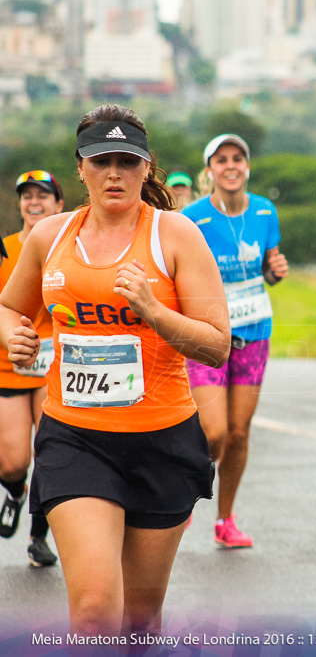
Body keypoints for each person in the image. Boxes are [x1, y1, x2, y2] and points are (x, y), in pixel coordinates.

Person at [0, 104, 229, 636]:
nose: (114, 174)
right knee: (96, 612)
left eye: (128, 161)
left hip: (163, 442)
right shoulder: (50, 236)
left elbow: (217, 346)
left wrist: (154, 311)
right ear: (80, 167)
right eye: (101, 161)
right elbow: (9, 306)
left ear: (146, 168)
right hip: (75, 440)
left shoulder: (174, 236)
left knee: (140, 622)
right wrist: (11, 333)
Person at [182, 133, 288, 549]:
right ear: (209, 170)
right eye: (221, 159)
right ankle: (183, 493)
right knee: (214, 433)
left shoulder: (265, 211)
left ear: (247, 166)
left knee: (239, 433)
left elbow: (269, 268)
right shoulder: (191, 217)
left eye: (238, 159)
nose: (230, 166)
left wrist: (275, 270)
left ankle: (225, 520)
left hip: (254, 330)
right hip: (208, 335)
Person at [0, 170, 64, 568]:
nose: (35, 201)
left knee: (52, 453)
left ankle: (38, 537)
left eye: (44, 195)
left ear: (59, 204)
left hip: (53, 366)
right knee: (13, 461)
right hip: (7, 365)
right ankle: (15, 491)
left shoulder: (71, 248)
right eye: (28, 195)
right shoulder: (4, 250)